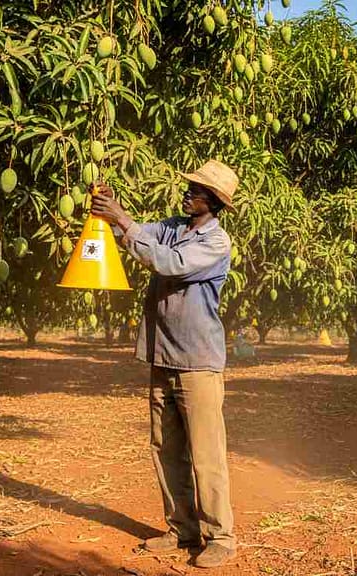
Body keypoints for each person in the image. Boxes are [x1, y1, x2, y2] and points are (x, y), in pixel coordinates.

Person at [91, 159, 237, 569]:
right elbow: (135, 234)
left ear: (214, 202)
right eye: (190, 186)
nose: (188, 193)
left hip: (197, 363)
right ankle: (182, 529)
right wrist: (111, 208)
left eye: (197, 190)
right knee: (166, 448)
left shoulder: (216, 242)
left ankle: (221, 537)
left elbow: (167, 263)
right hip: (162, 357)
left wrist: (122, 219)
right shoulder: (172, 226)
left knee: (206, 453)